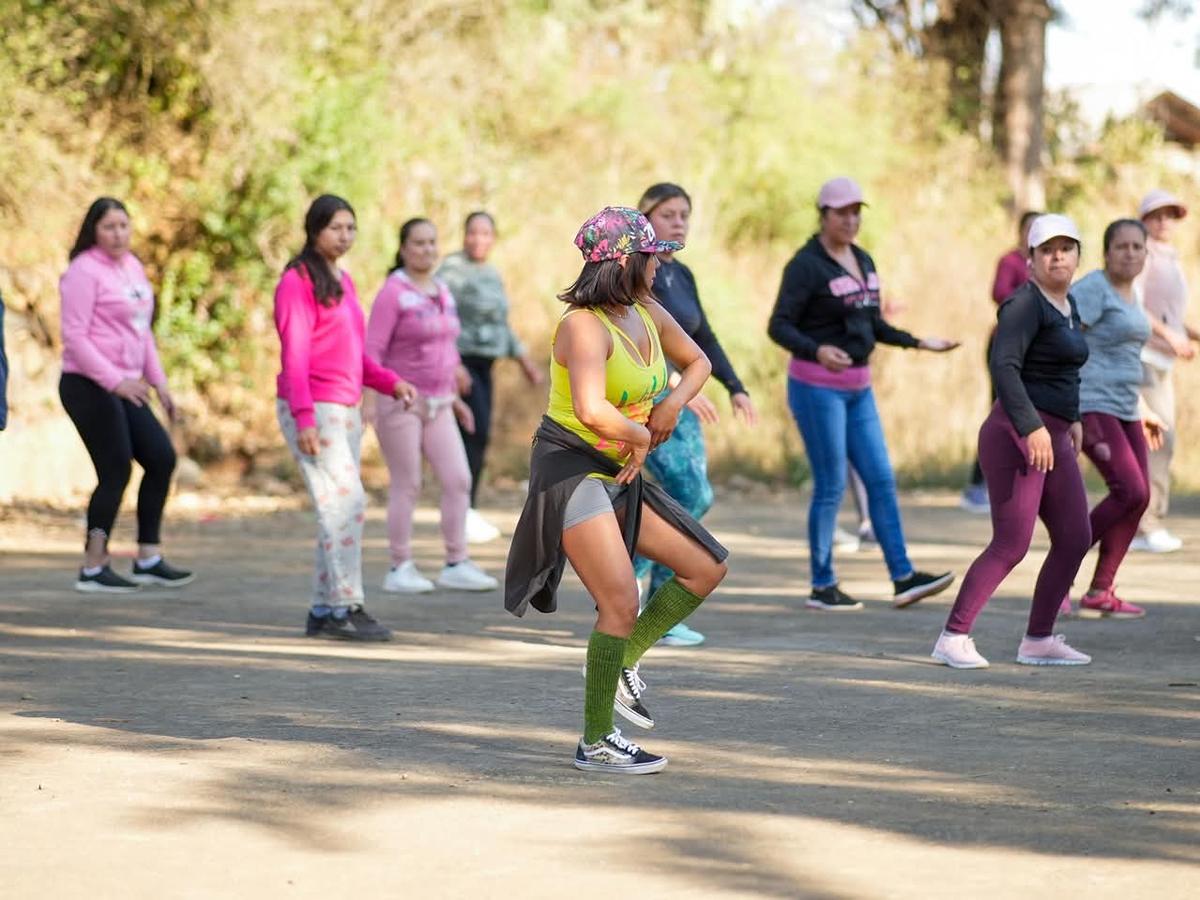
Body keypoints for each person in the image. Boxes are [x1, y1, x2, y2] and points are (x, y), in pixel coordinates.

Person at [505, 207, 728, 774]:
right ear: (625, 261)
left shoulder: (647, 311)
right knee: (621, 601)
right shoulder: (581, 326)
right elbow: (589, 409)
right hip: (570, 468)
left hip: (619, 466)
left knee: (704, 567)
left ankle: (621, 659)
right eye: (653, 255)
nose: (662, 265)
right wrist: (639, 436)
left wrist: (672, 405)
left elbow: (698, 362)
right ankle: (596, 741)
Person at [767, 177, 957, 611]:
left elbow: (874, 326)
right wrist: (815, 348)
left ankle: (903, 576)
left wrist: (918, 342)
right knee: (832, 484)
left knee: (881, 479)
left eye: (857, 212)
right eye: (842, 213)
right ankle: (822, 583)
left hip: (859, 391)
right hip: (816, 389)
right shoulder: (805, 265)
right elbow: (779, 325)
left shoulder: (863, 259)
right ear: (824, 216)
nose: (851, 220)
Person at [932, 214, 1093, 669]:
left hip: (1055, 433)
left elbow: (1066, 369)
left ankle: (1038, 639)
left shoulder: (1068, 304)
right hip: (1016, 434)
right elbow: (1004, 367)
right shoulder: (1024, 305)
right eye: (1047, 250)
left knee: (1075, 535)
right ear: (1031, 261)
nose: (1057, 256)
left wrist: (1074, 418)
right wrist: (1031, 427)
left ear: (1078, 255)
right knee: (1012, 542)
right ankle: (953, 636)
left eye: (1066, 247)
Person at [274, 194, 416, 641]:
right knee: (345, 504)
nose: (344, 235)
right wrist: (304, 419)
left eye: (350, 228)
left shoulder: (344, 280)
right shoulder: (296, 282)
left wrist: (390, 382)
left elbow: (353, 356)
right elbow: (294, 355)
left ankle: (323, 608)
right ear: (314, 229)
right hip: (314, 407)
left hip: (346, 407)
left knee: (337, 509)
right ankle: (345, 606)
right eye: (336, 227)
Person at [632, 182, 757, 647]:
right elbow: (635, 337)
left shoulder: (681, 276)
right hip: (649, 403)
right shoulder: (632, 274)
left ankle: (649, 602)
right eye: (668, 213)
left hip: (684, 401)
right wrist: (670, 384)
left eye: (685, 213)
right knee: (689, 492)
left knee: (689, 500)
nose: (679, 220)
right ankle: (639, 599)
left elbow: (705, 339)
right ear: (645, 218)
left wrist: (736, 386)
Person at [58, 197, 192, 593]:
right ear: (93, 231)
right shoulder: (83, 272)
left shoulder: (132, 268)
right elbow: (75, 337)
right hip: (88, 384)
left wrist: (161, 384)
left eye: (124, 226)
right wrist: (115, 381)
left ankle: (148, 558)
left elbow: (142, 332)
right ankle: (93, 565)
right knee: (116, 468)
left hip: (129, 384)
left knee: (161, 457)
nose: (118, 234)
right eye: (109, 227)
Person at [367, 218, 498, 594]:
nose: (426, 249)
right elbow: (372, 351)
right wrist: (370, 399)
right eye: (418, 243)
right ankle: (399, 566)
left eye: (431, 242)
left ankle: (456, 562)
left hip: (441, 402)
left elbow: (446, 345)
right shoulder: (393, 292)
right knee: (408, 483)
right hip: (402, 400)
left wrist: (456, 395)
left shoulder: (441, 289)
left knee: (459, 479)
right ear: (404, 248)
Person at [1069, 219, 1165, 619]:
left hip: (1126, 406)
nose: (1129, 253)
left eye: (1137, 247)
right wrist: (1066, 403)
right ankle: (1062, 572)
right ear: (1106, 253)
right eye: (1121, 247)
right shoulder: (1093, 288)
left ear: (1146, 253)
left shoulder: (1132, 293)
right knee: (1128, 490)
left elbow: (1125, 356)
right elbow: (1063, 337)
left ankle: (1101, 589)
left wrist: (1144, 409)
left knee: (1139, 498)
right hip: (1092, 403)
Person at [437, 211, 543, 544]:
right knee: (473, 432)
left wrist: (525, 360)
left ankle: (465, 507)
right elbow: (439, 318)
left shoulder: (492, 274)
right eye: (473, 233)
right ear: (464, 235)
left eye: (486, 234)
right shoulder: (451, 271)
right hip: (461, 362)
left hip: (486, 364)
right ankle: (461, 510)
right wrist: (452, 363)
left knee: (479, 434)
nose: (479, 240)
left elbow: (502, 324)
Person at [1130, 190, 1198, 553]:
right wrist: (1170, 335)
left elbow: (1169, 315)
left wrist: (1188, 333)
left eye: (1169, 215)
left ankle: (1147, 521)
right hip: (1144, 356)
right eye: (1156, 216)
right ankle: (1146, 525)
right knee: (1158, 441)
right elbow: (1134, 308)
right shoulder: (1140, 254)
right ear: (1143, 219)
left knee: (1162, 442)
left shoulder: (1170, 257)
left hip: (1163, 361)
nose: (1163, 222)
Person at [960, 211, 1040, 514]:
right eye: (1030, 230)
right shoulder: (1011, 262)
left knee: (1031, 416)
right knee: (1001, 411)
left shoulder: (1048, 264)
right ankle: (977, 484)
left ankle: (1022, 485)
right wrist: (1036, 292)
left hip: (1036, 350)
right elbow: (1000, 293)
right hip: (1005, 345)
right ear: (1020, 233)